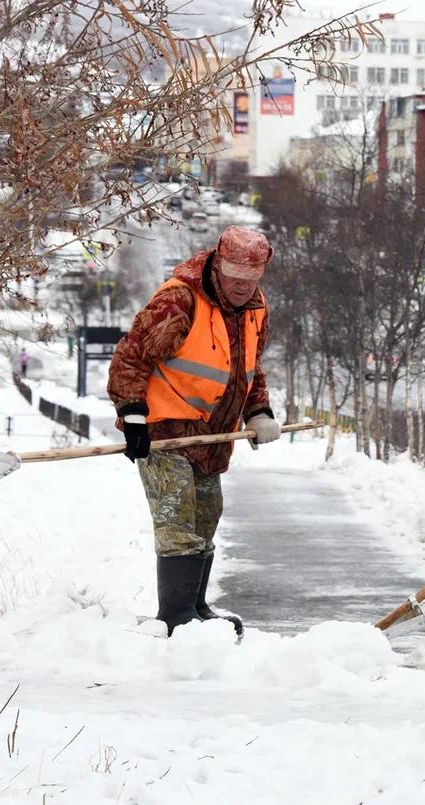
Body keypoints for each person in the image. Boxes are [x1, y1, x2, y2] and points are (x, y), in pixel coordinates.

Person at [107, 225, 281, 637]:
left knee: (206, 514)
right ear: (218, 266)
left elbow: (249, 368)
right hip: (164, 430)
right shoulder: (180, 299)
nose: (242, 289)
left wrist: (259, 411)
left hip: (210, 438)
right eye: (235, 280)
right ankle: (175, 615)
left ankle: (197, 607)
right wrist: (133, 415)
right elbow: (130, 357)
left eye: (250, 281)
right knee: (178, 518)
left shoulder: (255, 309)